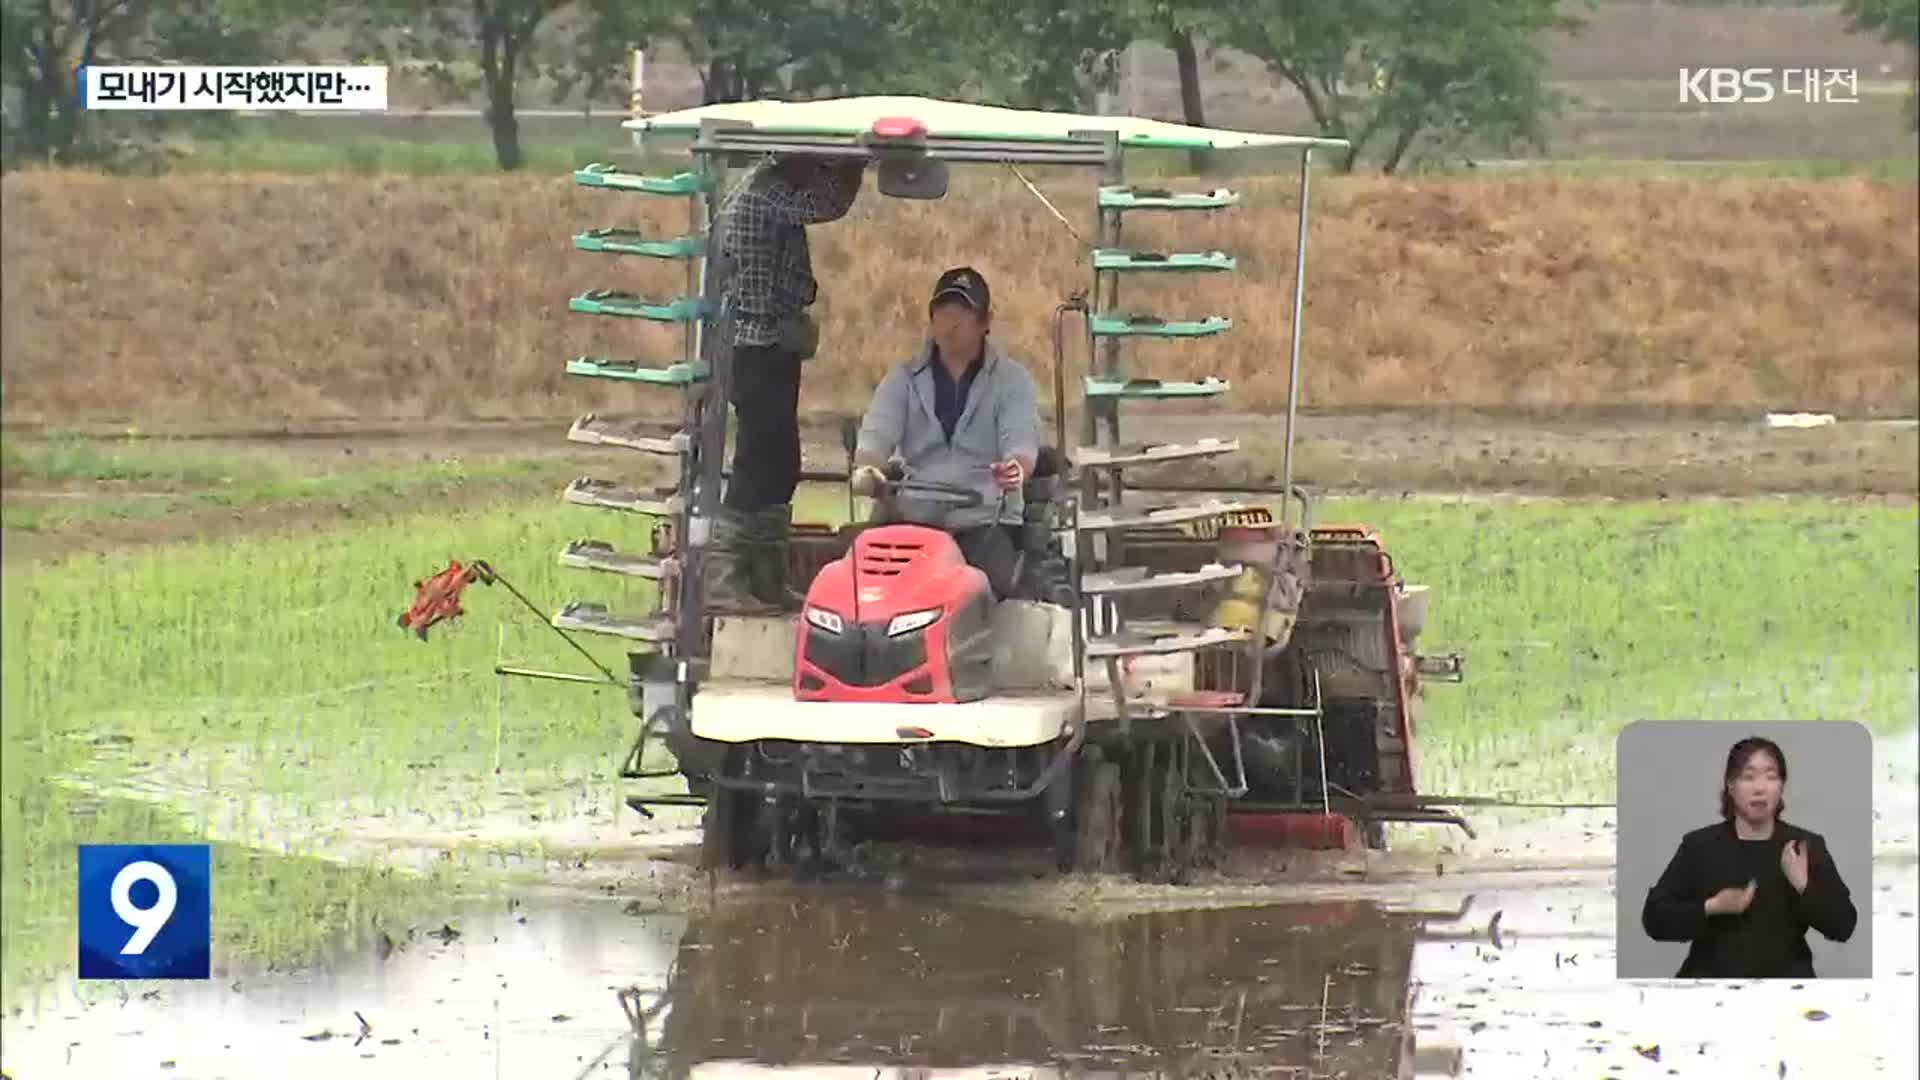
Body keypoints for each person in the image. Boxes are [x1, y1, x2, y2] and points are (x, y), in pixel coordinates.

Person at [704, 153, 867, 614]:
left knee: (779, 461)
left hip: (764, 343)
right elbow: (830, 206)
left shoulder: (754, 186)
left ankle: (764, 576)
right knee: (759, 461)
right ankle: (727, 574)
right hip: (760, 345)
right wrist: (855, 163)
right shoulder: (768, 191)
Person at [850, 266, 1040, 601]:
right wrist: (868, 468)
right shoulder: (903, 378)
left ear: (984, 322)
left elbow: (1021, 445)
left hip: (983, 521)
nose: (950, 323)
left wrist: (1015, 470)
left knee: (1001, 597)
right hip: (912, 521)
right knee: (860, 589)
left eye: (962, 314)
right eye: (942, 312)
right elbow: (876, 435)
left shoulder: (1013, 381)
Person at [1640, 735, 1857, 978]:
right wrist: (1712, 907)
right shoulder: (1699, 846)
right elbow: (1654, 919)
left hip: (1786, 985)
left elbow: (1844, 926)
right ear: (1731, 786)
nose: (1760, 788)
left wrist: (1803, 885)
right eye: (1748, 776)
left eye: (1771, 776)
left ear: (1781, 786)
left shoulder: (1803, 847)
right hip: (1710, 983)